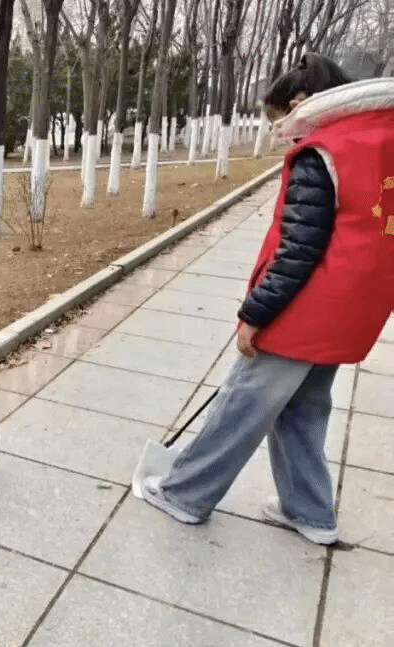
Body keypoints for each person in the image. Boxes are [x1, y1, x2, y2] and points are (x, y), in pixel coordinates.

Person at [139, 55, 394, 545]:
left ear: (300, 104)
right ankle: (310, 512)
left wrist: (254, 315)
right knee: (304, 406)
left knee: (241, 403)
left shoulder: (322, 151)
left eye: (279, 119)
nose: (280, 132)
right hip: (355, 308)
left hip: (306, 308)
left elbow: (298, 250)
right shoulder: (380, 140)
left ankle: (185, 494)